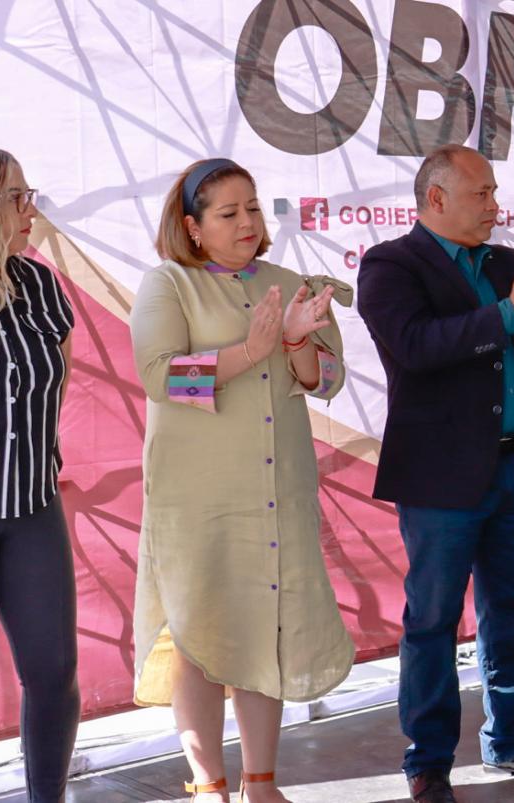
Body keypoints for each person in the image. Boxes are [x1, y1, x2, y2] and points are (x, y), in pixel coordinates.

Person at [358, 144, 514, 803]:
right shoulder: (390, 265)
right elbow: (416, 347)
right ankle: (429, 760)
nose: (495, 205)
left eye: (494, 192)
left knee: (512, 610)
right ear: (436, 199)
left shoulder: (503, 263)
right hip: (441, 476)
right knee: (433, 619)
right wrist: (509, 312)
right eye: (482, 194)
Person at [131, 158, 355, 803]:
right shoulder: (168, 284)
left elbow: (327, 382)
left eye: (252, 208)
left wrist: (296, 344)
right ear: (192, 227)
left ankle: (262, 783)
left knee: (267, 629)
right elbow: (162, 378)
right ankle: (209, 787)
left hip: (277, 495)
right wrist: (251, 351)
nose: (246, 222)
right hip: (196, 499)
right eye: (228, 213)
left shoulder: (289, 284)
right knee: (198, 636)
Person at [0, 146, 79, 802]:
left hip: (32, 505)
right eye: (16, 196)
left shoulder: (40, 285)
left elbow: (55, 384)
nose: (30, 208)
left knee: (53, 670)